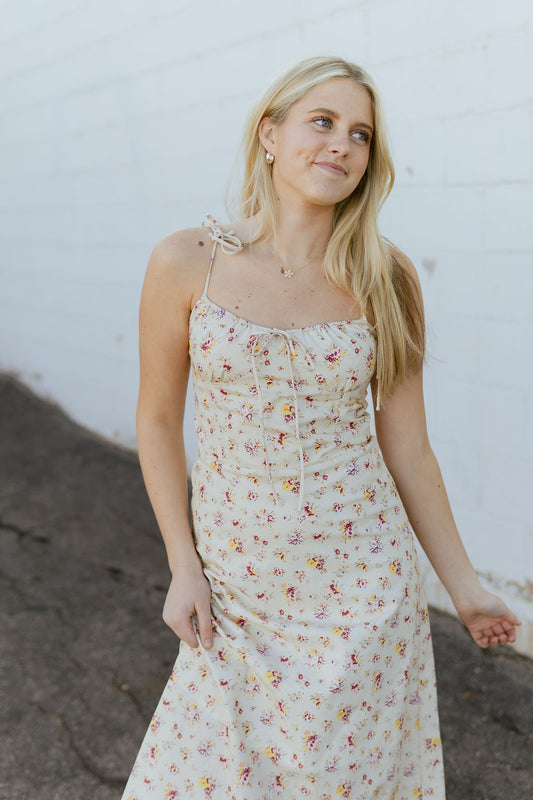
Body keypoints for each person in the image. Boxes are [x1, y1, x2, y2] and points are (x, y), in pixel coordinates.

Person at [121, 56, 521, 800]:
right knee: (212, 777)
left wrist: (465, 588)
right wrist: (183, 565)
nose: (342, 143)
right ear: (270, 135)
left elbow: (410, 449)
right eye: (323, 122)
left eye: (360, 134)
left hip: (363, 584)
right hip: (236, 578)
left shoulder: (386, 277)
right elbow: (157, 420)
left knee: (346, 780)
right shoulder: (186, 260)